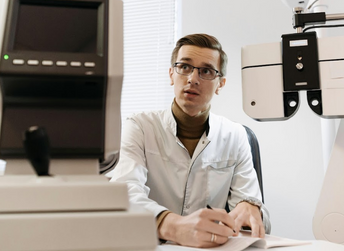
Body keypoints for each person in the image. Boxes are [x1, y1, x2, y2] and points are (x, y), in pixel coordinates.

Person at [110, 33, 271, 248]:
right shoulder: (140, 126)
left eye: (206, 71)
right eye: (184, 67)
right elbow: (124, 193)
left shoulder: (236, 135)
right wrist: (173, 226)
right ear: (171, 75)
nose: (193, 78)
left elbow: (255, 216)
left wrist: (252, 209)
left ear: (220, 84)